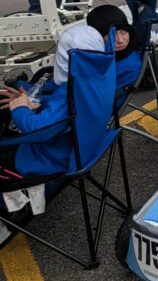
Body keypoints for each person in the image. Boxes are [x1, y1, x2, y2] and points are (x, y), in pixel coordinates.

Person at [0, 25, 105, 178]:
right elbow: (63, 111)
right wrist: (35, 101)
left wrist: (20, 109)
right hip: (80, 149)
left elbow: (39, 130)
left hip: (46, 160)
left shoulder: (70, 93)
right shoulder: (97, 80)